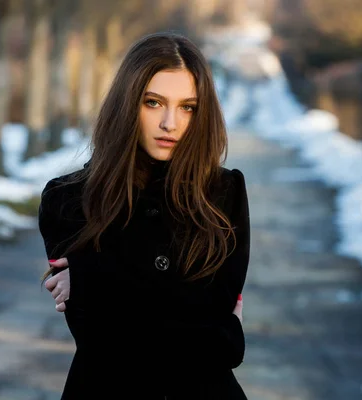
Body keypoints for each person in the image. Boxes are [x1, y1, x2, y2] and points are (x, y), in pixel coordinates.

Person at [38, 31, 251, 399]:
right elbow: (101, 337)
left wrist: (92, 275)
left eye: (188, 107)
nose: (170, 123)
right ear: (128, 103)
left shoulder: (223, 192)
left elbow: (223, 346)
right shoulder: (67, 199)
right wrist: (206, 319)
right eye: (153, 102)